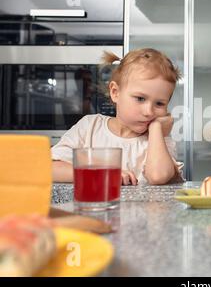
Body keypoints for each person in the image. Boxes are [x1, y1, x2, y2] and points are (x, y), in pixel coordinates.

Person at [51, 48, 183, 185]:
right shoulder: (90, 127)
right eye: (140, 98)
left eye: (160, 103)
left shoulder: (159, 140)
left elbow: (158, 176)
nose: (149, 111)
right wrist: (101, 174)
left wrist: (156, 128)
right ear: (115, 92)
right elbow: (50, 168)